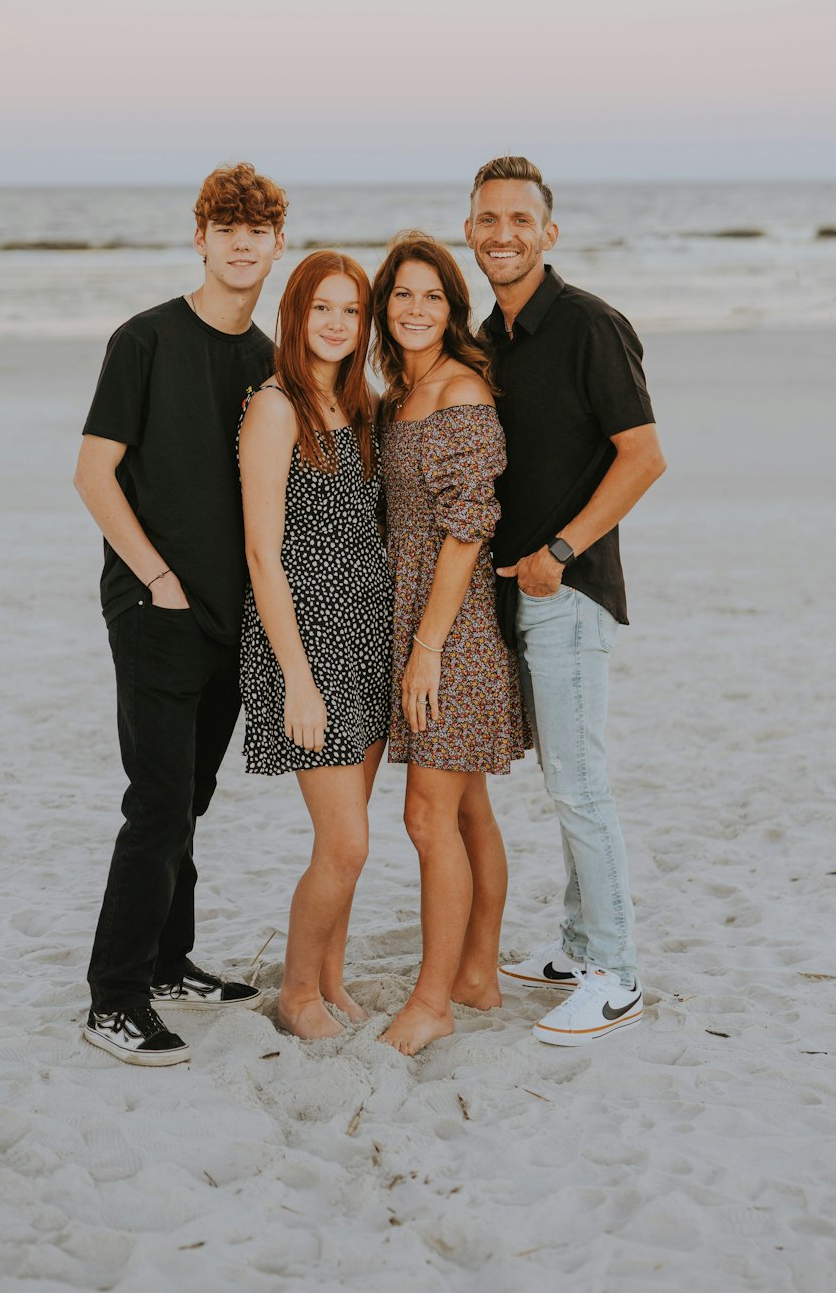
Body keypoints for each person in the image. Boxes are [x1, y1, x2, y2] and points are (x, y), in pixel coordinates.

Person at [74, 163, 287, 1066]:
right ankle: (114, 997)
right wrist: (156, 577)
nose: (241, 242)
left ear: (277, 244)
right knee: (157, 805)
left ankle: (167, 961)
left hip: (232, 616)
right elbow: (94, 472)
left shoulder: (268, 359)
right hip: (156, 608)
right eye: (225, 226)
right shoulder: (146, 340)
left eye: (258, 228)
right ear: (199, 237)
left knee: (190, 799)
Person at [467, 155, 667, 1046]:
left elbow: (644, 456)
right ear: (469, 231)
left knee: (581, 786)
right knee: (564, 780)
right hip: (520, 596)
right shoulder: (491, 334)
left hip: (570, 590)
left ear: (549, 232)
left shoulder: (590, 325)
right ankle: (580, 946)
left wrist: (559, 553)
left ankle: (616, 974)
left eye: (520, 219)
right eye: (487, 219)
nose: (502, 234)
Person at [372, 231, 528, 1056]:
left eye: (433, 295)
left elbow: (471, 524)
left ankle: (433, 1001)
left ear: (452, 308)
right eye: (403, 294)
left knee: (428, 819)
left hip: (452, 631)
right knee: (467, 810)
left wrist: (427, 646)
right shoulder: (403, 392)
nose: (417, 309)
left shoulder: (459, 389)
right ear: (383, 305)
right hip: (418, 619)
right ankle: (476, 975)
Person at [238, 250, 391, 1041]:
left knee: (352, 835)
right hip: (308, 645)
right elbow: (263, 553)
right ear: (295, 315)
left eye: (352, 310)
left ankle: (330, 976)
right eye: (321, 308)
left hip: (367, 636)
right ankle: (298, 995)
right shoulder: (275, 408)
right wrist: (297, 678)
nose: (337, 324)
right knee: (347, 840)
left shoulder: (362, 405)